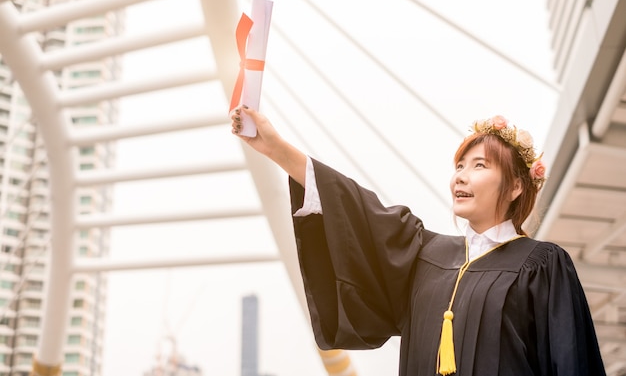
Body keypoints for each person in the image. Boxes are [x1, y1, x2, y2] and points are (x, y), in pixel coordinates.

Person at [230, 107, 606, 376]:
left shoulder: (541, 265)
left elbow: (572, 362)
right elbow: (356, 209)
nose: (461, 177)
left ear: (516, 186)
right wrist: (276, 148)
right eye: (460, 165)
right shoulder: (426, 254)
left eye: (479, 166)